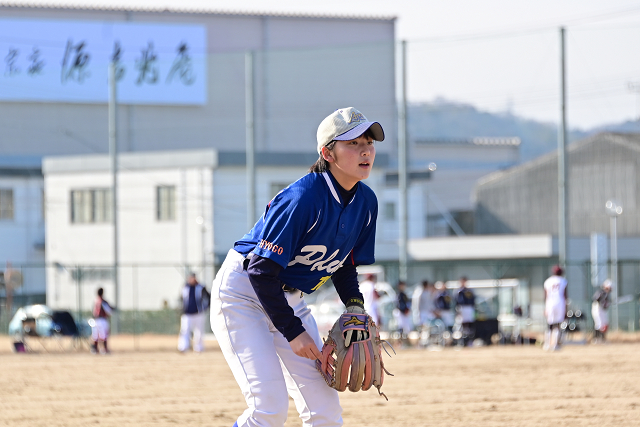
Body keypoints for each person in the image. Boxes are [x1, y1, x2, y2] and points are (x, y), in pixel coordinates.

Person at [209, 107, 385, 427]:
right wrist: (293, 332)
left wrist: (355, 307)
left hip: (290, 299)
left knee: (326, 412)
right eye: (352, 143)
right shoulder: (302, 198)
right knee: (269, 409)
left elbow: (344, 265)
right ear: (327, 153)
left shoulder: (366, 203)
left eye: (369, 142)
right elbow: (260, 271)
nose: (365, 150)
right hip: (243, 294)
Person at [178, 272, 210, 353]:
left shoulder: (201, 287)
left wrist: (205, 307)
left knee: (199, 331)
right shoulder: (185, 287)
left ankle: (198, 348)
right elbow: (181, 299)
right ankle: (183, 347)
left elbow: (208, 298)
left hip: (198, 313)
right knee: (185, 330)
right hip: (187, 313)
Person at [543, 265, 568, 351]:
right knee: (557, 325)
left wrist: (545, 307)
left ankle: (546, 344)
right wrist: (566, 309)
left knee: (549, 325)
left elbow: (545, 296)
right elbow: (565, 296)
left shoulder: (547, 281)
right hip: (560, 303)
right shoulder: (563, 281)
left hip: (549, 303)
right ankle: (555, 345)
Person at [91, 287, 113, 355]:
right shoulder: (103, 301)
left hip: (95, 319)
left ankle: (95, 349)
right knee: (104, 335)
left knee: (95, 335)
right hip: (102, 320)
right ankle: (104, 349)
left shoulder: (95, 301)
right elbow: (108, 311)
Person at [455, 276, 476, 346]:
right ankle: (462, 341)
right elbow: (457, 301)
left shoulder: (469, 291)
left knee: (469, 324)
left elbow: (473, 300)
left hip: (469, 308)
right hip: (462, 308)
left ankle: (469, 340)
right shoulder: (459, 291)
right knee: (462, 324)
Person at [591, 279, 612, 343]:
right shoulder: (601, 292)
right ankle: (596, 339)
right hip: (597, 309)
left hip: (602, 310)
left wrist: (606, 304)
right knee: (599, 324)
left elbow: (605, 305)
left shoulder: (606, 294)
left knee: (604, 324)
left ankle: (602, 339)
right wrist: (603, 302)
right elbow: (595, 299)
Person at [394, 280, 412, 345]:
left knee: (406, 327)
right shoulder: (399, 294)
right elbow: (399, 305)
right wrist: (404, 311)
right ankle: (399, 342)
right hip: (400, 312)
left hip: (403, 312)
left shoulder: (403, 294)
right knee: (400, 326)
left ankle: (405, 341)